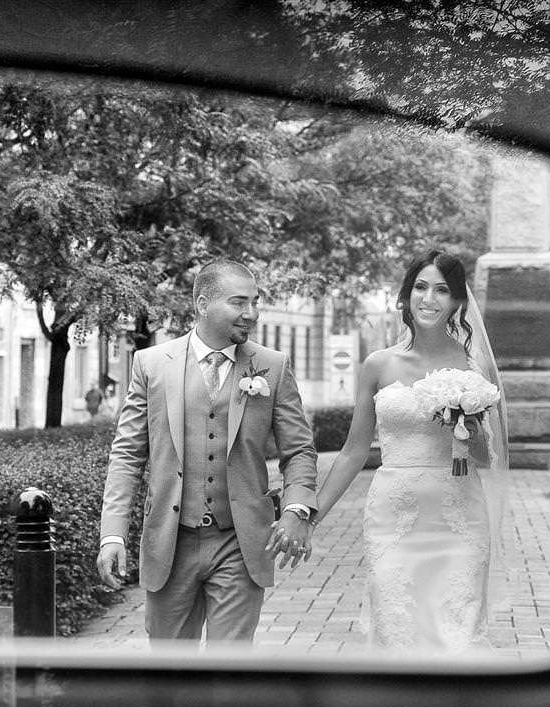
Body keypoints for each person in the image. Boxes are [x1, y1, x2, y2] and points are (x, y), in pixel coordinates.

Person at [96, 259, 319, 645]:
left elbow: (299, 450)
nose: (250, 314)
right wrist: (112, 535)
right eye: (238, 302)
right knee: (170, 672)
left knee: (229, 673)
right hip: (171, 541)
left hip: (240, 541)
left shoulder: (272, 366)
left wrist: (298, 509)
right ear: (202, 304)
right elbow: (128, 455)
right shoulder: (151, 364)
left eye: (255, 302)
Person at [307, 249, 510, 653]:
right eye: (420, 287)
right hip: (393, 518)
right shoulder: (378, 365)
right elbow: (352, 452)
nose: (429, 299)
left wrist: (468, 425)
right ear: (405, 296)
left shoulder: (475, 369)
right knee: (397, 624)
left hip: (459, 519)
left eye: (442, 290)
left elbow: (489, 459)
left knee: (455, 633)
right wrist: (309, 516)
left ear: (457, 302)